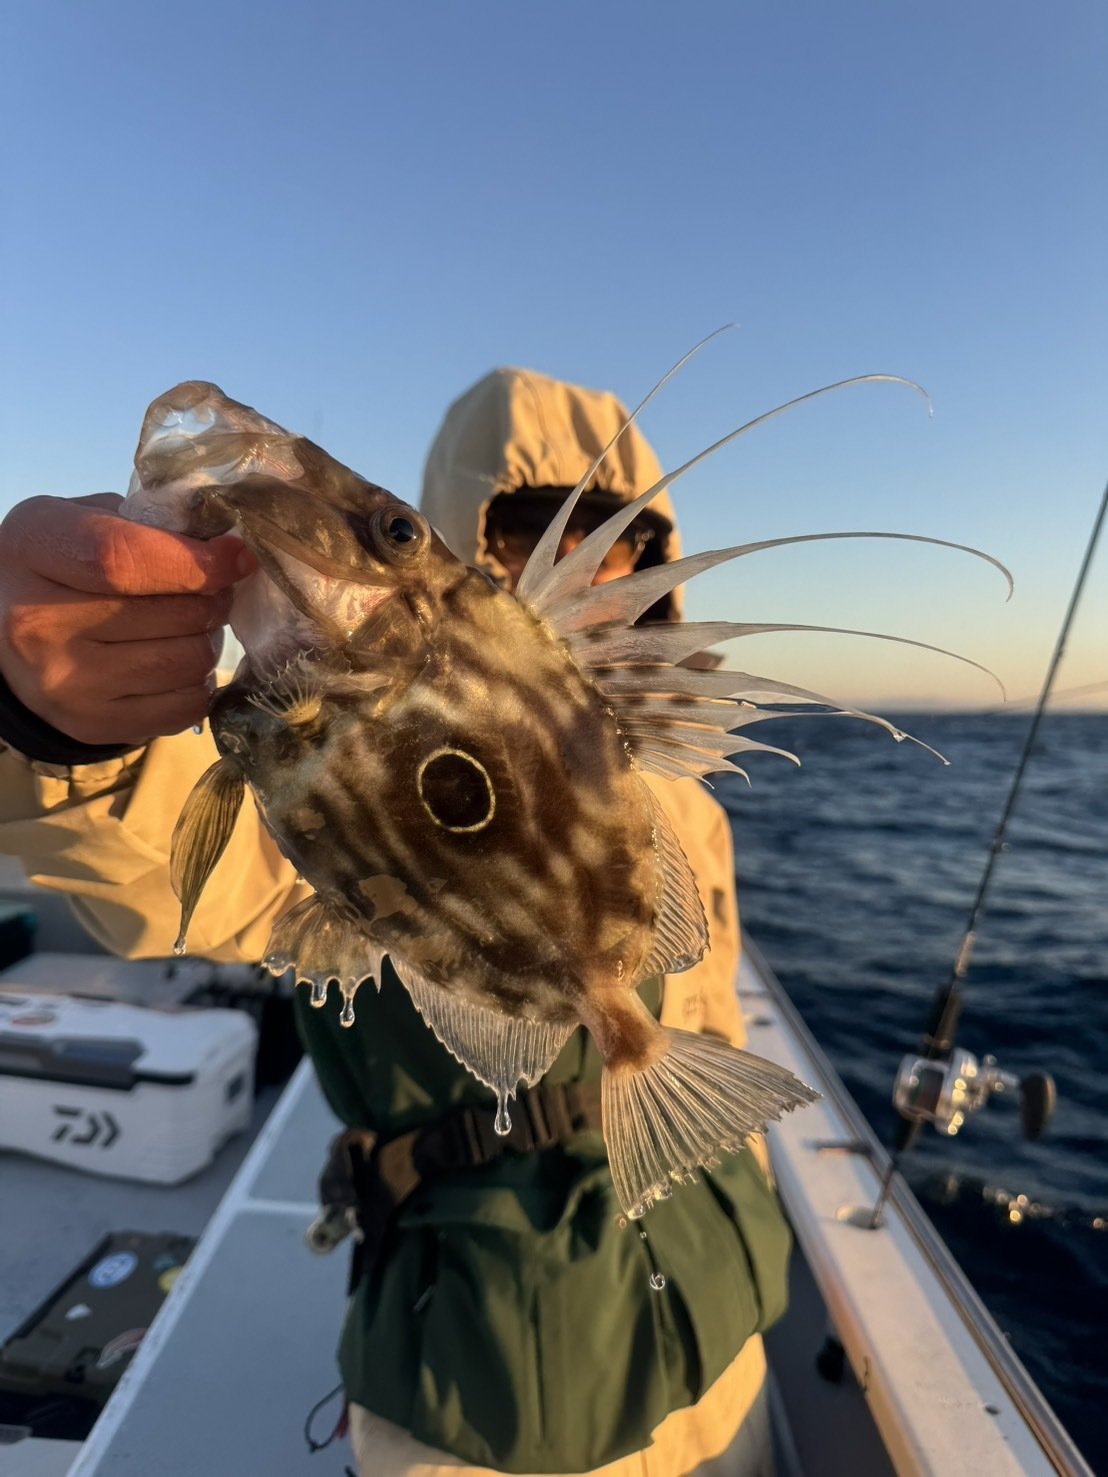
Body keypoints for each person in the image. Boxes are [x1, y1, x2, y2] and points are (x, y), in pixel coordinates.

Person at [0, 367, 792, 1476]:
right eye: (526, 528)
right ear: (461, 542)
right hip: (483, 1386)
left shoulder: (680, 798)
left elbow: (704, 1014)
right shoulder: (324, 731)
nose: (586, 565)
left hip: (724, 1332)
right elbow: (189, 875)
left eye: (624, 542)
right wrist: (58, 733)